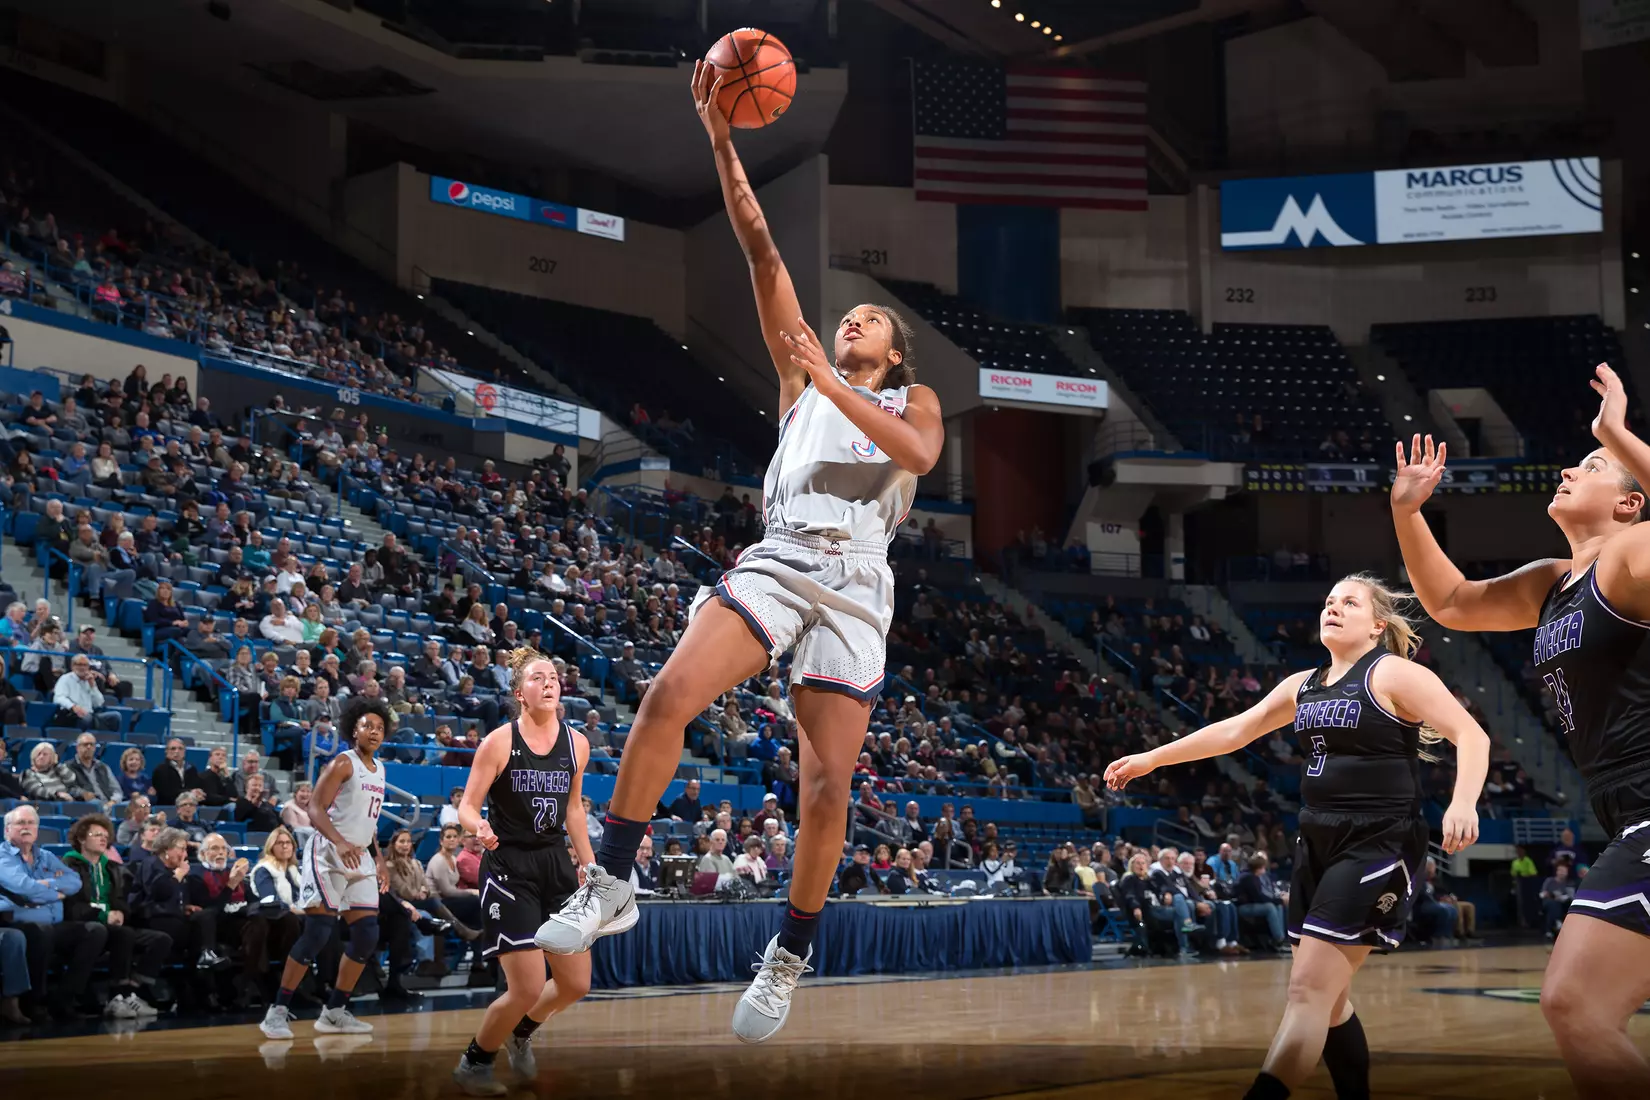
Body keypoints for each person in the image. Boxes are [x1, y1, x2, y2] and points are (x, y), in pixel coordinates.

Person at [532, 59, 944, 1051]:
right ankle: (613, 881)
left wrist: (826, 376)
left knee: (825, 788)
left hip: (858, 584)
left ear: (892, 353)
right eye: (847, 313)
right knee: (667, 694)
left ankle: (789, 952)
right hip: (783, 551)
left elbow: (919, 455)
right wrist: (721, 136)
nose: (852, 318)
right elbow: (760, 245)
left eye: (872, 320)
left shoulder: (908, 402)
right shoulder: (801, 381)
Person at [1105, 574, 1488, 1100]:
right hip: (1317, 843)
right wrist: (1153, 758)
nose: (1333, 608)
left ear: (1378, 625)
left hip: (1379, 841)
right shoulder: (1302, 683)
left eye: (1349, 602)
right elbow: (1235, 730)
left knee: (1307, 989)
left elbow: (1471, 733)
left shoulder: (1394, 673)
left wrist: (1463, 801)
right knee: (1329, 1003)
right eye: (1328, 600)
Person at [1392, 373, 1650, 1099]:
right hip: (1623, 807)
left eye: (1592, 467)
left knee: (1576, 1003)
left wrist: (1619, 435)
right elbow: (1448, 602)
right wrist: (1409, 514)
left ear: (1631, 504)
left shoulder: (1633, 557)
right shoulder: (1551, 581)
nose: (1571, 467)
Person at [452, 648, 595, 1097]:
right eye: (538, 677)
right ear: (520, 692)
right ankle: (474, 1062)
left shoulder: (577, 744)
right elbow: (467, 807)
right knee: (529, 986)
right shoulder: (498, 741)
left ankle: (521, 1032)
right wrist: (479, 827)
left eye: (554, 676)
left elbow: (573, 809)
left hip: (555, 863)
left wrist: (589, 864)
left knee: (575, 983)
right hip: (509, 866)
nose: (549, 682)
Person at [259, 696, 393, 1040]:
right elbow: (316, 808)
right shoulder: (343, 763)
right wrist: (339, 842)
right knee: (318, 931)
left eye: (379, 727)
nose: (374, 732)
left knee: (367, 935)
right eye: (367, 726)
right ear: (353, 730)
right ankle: (276, 1010)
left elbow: (370, 822)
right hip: (329, 851)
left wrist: (379, 859)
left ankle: (334, 1011)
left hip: (360, 854)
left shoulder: (381, 769)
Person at [62, 814, 169, 1018]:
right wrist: (103, 915)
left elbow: (120, 899)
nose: (103, 839)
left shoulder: (111, 868)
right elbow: (72, 906)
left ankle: (134, 993)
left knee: (160, 939)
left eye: (105, 835)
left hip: (111, 925)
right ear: (82, 839)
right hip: (82, 926)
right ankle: (116, 995)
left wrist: (121, 912)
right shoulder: (70, 865)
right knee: (123, 935)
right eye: (96, 835)